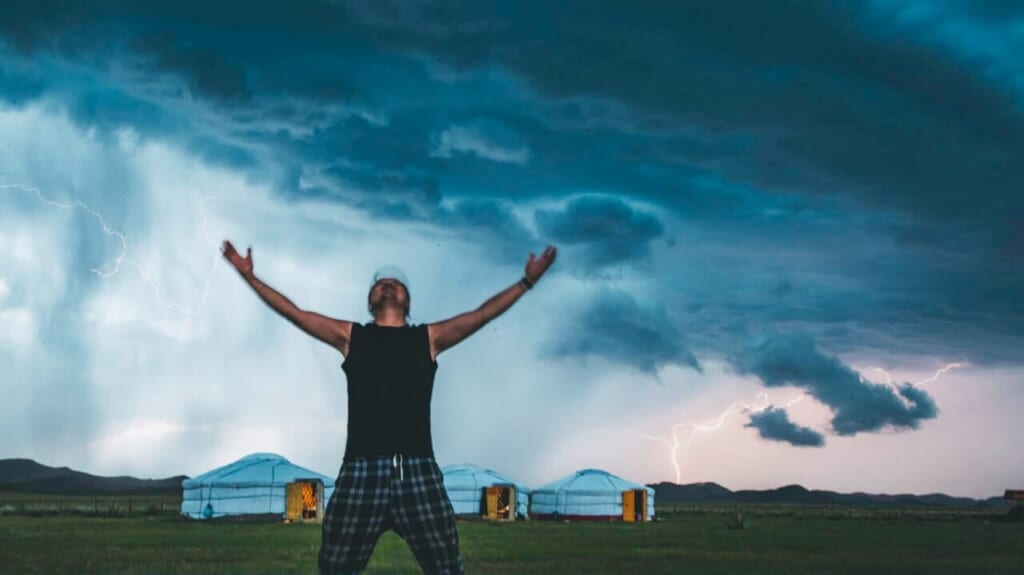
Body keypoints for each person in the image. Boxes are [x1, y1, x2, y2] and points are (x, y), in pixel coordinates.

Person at [221, 240, 557, 575]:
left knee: (447, 567)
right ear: (370, 301)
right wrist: (250, 277)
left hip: (418, 472)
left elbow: (482, 315)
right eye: (381, 283)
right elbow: (295, 313)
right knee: (335, 568)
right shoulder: (352, 337)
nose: (389, 284)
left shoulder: (428, 338)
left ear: (408, 302)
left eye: (396, 283)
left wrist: (526, 282)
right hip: (360, 473)